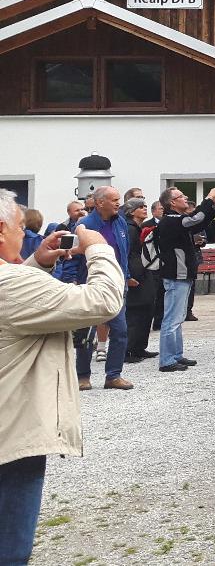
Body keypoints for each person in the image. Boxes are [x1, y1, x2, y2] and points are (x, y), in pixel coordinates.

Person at [0, 192, 123, 566]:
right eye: (21, 228)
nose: (25, 236)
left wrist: (35, 263)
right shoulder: (11, 285)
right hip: (11, 439)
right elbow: (102, 302)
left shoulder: (12, 282)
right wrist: (99, 249)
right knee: (9, 550)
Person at [155, 186, 215, 372]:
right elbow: (197, 219)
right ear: (172, 203)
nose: (185, 198)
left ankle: (176, 355)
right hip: (176, 274)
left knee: (178, 317)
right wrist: (208, 199)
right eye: (181, 196)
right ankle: (167, 360)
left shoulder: (177, 220)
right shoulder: (171, 220)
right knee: (171, 318)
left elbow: (200, 222)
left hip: (182, 274)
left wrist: (214, 205)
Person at [74, 186, 133, 391]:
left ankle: (113, 376)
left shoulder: (121, 222)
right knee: (86, 334)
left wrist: (126, 277)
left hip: (117, 285)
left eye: (119, 199)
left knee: (120, 331)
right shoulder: (84, 225)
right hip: (90, 285)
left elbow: (124, 253)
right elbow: (75, 255)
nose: (119, 203)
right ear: (100, 203)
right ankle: (82, 376)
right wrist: (73, 280)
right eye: (114, 199)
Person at [122, 198, 160, 362]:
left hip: (144, 272)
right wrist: (129, 275)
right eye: (141, 207)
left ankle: (139, 347)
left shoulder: (138, 228)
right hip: (136, 274)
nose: (145, 209)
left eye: (145, 206)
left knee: (147, 309)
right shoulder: (130, 229)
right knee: (135, 313)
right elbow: (128, 254)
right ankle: (129, 350)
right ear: (132, 211)